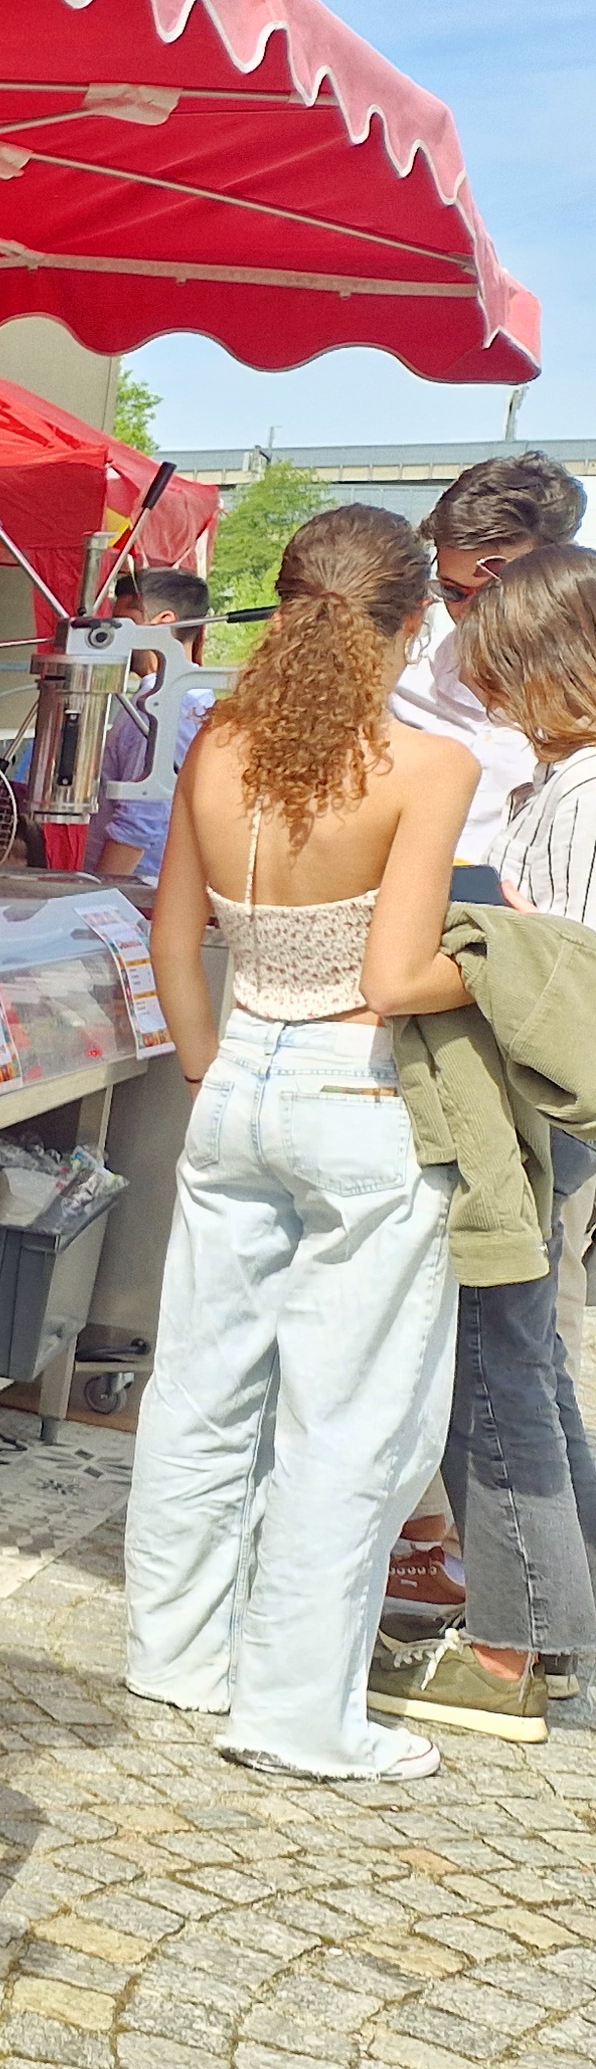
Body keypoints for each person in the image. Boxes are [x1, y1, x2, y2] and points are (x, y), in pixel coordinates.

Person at [126, 505, 480, 1783]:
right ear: (410, 621)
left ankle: (172, 1653)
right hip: (357, 1088)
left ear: (279, 607)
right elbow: (395, 973)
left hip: (237, 1079)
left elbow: (173, 940)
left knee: (201, 1385)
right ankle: (293, 1712)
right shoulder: (428, 766)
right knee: (348, 1414)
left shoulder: (218, 745)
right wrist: (501, 964)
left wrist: (209, 1059)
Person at [378, 539, 596, 1742]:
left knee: (495, 1368)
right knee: (532, 1365)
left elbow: (550, 978)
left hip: (533, 1108)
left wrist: (442, 954)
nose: (487, 695)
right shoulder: (561, 782)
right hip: (550, 1111)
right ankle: (557, 1626)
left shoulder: (579, 792)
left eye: (499, 669)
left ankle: (509, 1646)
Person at [399, 453, 586, 864]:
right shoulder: (402, 674)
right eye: (452, 592)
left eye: (492, 592)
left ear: (556, 572)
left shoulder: (585, 699)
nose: (469, 613)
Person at [92, 567, 218, 882]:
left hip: (137, 891)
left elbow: (140, 822)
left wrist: (91, 897)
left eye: (123, 622)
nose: (113, 633)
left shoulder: (161, 706)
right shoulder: (189, 696)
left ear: (164, 623)